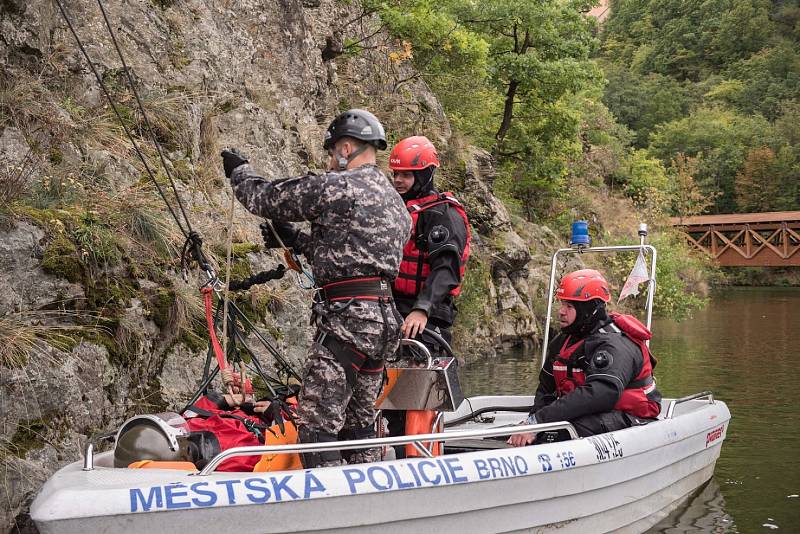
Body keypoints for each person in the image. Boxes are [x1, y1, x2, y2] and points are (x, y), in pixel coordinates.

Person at [220, 109, 411, 468]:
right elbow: (353, 257)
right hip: (383, 323)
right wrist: (297, 240)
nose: (329, 161)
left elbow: (264, 198)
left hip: (348, 322)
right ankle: (369, 496)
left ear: (346, 147)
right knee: (359, 425)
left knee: (317, 424)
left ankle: (328, 505)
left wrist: (239, 171)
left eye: (331, 152)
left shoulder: (337, 186)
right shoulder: (395, 204)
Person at [508, 269, 661, 447]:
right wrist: (532, 423)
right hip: (592, 413)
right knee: (532, 432)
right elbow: (546, 389)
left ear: (589, 310)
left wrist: (540, 422)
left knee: (564, 432)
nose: (561, 312)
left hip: (631, 416)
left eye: (570, 307)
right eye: (562, 304)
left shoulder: (616, 345)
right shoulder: (563, 341)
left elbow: (602, 393)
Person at [388, 136, 470, 350]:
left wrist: (422, 308)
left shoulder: (444, 215)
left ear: (424, 175)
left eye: (406, 175)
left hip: (427, 314)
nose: (398, 180)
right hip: (391, 307)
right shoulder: (395, 210)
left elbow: (447, 269)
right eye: (396, 174)